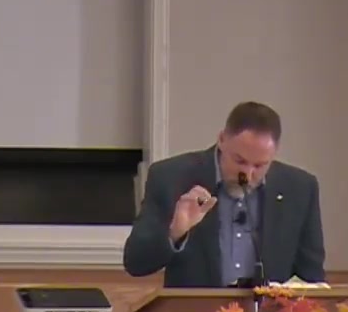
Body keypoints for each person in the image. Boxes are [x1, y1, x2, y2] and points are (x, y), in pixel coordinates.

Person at [122, 101, 326, 287]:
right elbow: (136, 263)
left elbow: (312, 279)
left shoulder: (300, 189)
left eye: (259, 165)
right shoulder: (171, 178)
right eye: (239, 161)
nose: (247, 174)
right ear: (221, 139)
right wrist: (175, 233)